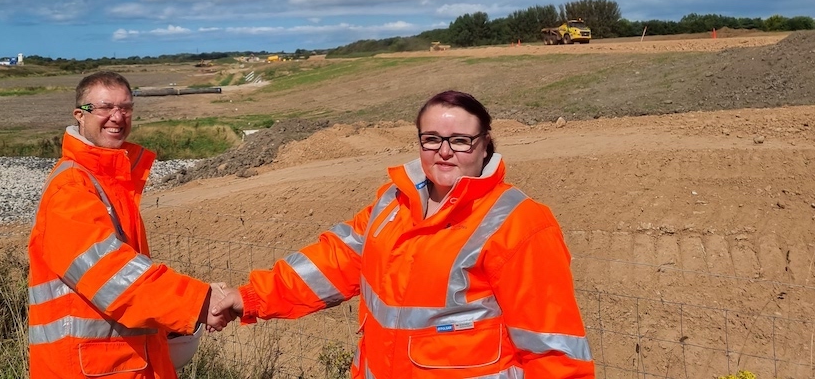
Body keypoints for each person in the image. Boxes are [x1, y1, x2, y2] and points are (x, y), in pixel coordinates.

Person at [214, 90, 594, 378]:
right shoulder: (393, 204)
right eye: (432, 138)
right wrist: (246, 297)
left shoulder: (520, 223)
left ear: (484, 145)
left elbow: (554, 351)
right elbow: (332, 263)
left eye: (460, 140)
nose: (444, 152)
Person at [28, 70, 229, 379]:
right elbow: (113, 277)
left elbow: (130, 280)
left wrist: (170, 318)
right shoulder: (71, 189)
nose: (117, 117)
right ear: (80, 115)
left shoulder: (112, 180)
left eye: (126, 107)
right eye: (105, 107)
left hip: (120, 363)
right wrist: (198, 302)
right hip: (87, 369)